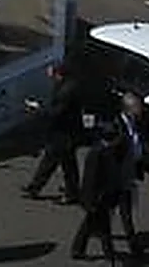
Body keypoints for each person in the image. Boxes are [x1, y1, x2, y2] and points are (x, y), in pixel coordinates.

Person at [25, 61, 86, 203]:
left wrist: (38, 109)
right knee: (65, 163)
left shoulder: (66, 91)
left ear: (57, 72)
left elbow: (56, 112)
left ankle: (37, 188)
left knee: (54, 162)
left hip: (63, 134)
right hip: (67, 133)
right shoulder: (67, 85)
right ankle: (71, 191)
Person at [74, 123, 127, 262]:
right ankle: (109, 255)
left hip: (102, 197)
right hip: (97, 198)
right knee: (103, 227)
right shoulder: (98, 153)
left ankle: (78, 250)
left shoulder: (107, 150)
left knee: (90, 225)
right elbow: (90, 180)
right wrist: (91, 201)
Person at [118, 93, 145, 247]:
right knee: (124, 209)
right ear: (129, 109)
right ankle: (133, 245)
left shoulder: (136, 122)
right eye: (138, 107)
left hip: (130, 172)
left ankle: (81, 242)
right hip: (119, 174)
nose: (141, 110)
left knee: (124, 209)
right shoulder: (118, 125)